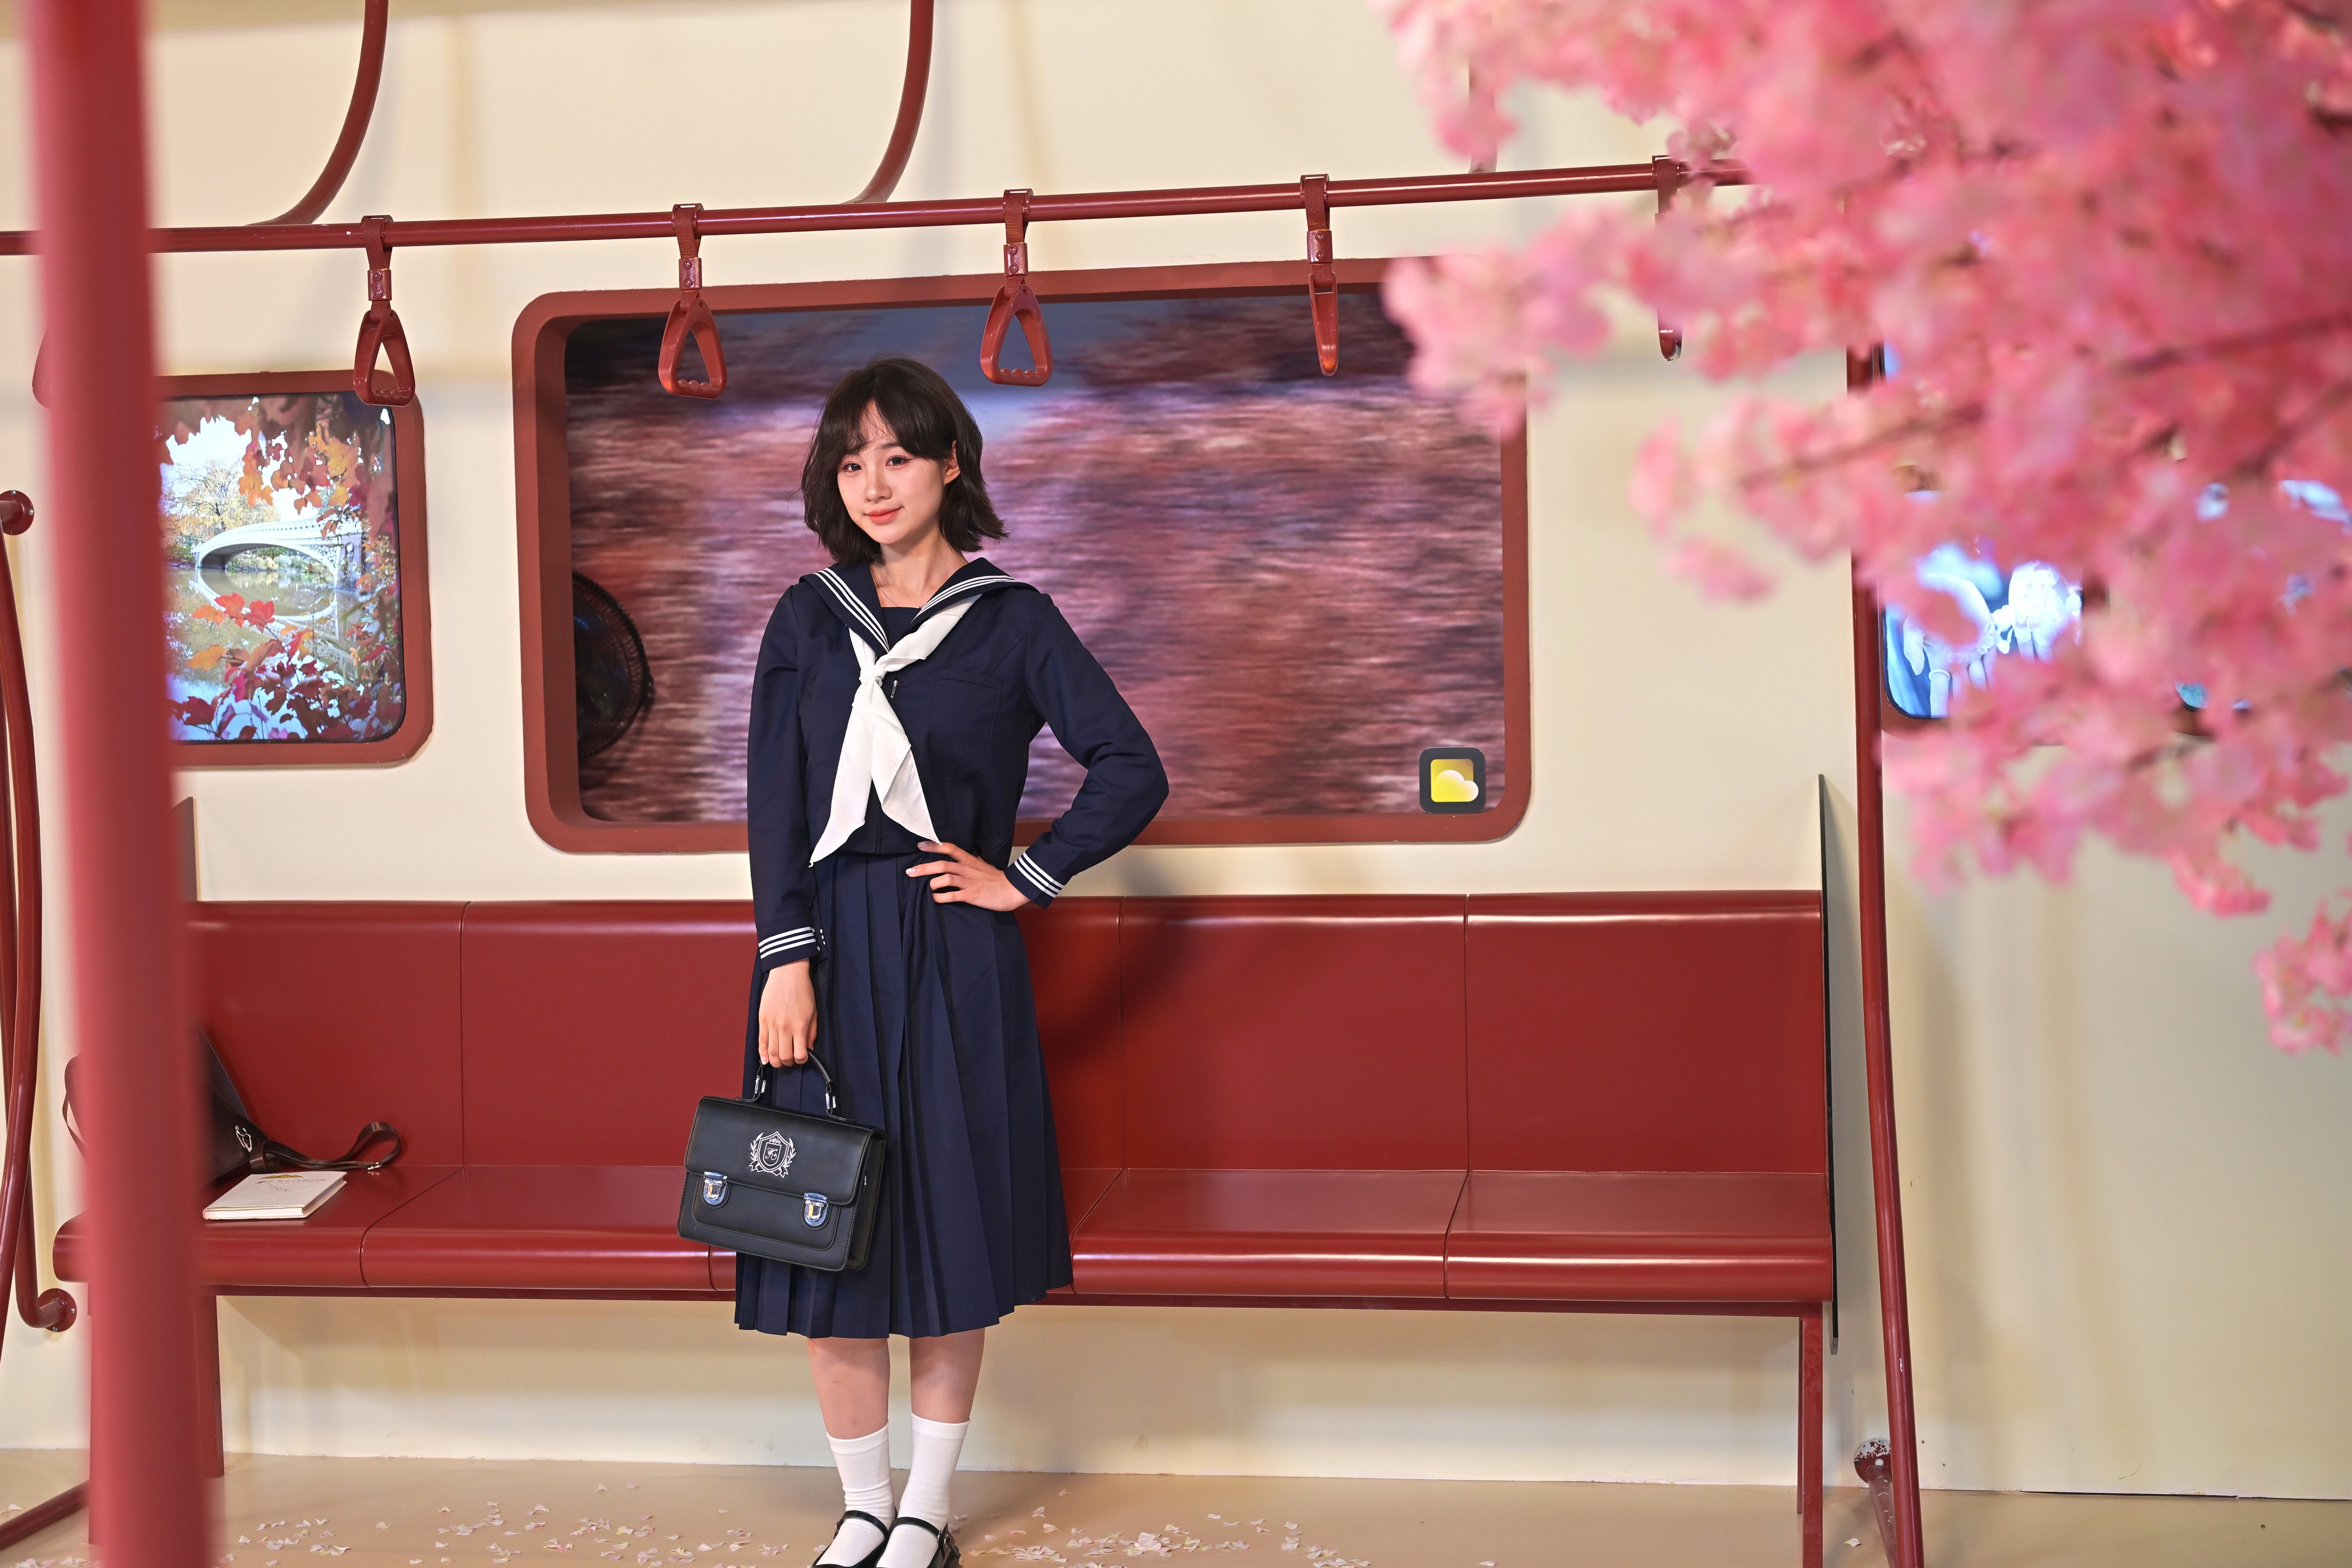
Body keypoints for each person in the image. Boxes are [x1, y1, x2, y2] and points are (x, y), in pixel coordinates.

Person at [740, 357, 1167, 1568]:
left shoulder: (1015, 619)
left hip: (956, 955)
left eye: (898, 456)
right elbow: (774, 804)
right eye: (851, 458)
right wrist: (786, 959)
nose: (873, 482)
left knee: (945, 1236)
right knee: (828, 1230)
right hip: (822, 949)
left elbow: (1130, 766)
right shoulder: (806, 618)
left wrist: (1022, 877)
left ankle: (927, 1509)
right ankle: (861, 1507)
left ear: (950, 468)